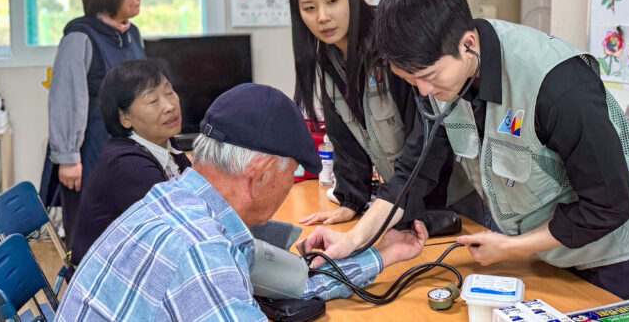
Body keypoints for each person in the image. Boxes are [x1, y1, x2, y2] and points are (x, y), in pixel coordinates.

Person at [298, 0, 629, 312]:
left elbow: (609, 204)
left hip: (623, 249)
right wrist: (354, 240)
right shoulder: (438, 77)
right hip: (551, 248)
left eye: (429, 77)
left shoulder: (558, 86)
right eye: (411, 81)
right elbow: (412, 172)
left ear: (468, 44)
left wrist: (511, 247)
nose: (423, 92)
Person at [55, 83, 428, 321]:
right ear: (262, 174)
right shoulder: (199, 250)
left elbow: (297, 284)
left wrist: (384, 254)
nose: (289, 187)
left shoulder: (178, 202)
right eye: (292, 174)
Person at [289, 0, 481, 234]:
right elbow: (345, 138)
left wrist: (400, 206)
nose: (323, 17)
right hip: (403, 201)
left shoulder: (391, 44)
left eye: (332, 1)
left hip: (449, 195)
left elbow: (425, 135)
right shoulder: (329, 58)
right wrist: (351, 200)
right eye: (309, 8)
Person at [40, 0, 145, 249]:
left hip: (128, 156)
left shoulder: (133, 35)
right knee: (89, 243)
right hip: (89, 160)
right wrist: (67, 158)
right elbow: (65, 99)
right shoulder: (80, 38)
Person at [68, 60, 191, 271]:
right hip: (104, 283)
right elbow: (182, 228)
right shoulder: (128, 165)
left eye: (169, 93)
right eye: (153, 100)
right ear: (125, 118)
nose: (169, 106)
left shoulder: (165, 143)